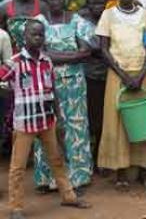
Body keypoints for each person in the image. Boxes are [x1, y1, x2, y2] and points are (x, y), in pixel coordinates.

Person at [1, 19, 90, 219]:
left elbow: (53, 91)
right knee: (18, 167)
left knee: (57, 160)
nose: (38, 38)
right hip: (24, 123)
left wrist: (58, 117)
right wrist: (9, 94)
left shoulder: (47, 61)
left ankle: (69, 196)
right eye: (34, 34)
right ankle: (16, 207)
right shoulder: (14, 62)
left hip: (46, 120)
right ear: (24, 37)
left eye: (41, 34)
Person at [96, 0, 146, 190]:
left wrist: (141, 75)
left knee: (143, 122)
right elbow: (103, 48)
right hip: (117, 76)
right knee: (117, 123)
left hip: (141, 76)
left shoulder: (145, 14)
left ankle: (144, 170)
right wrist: (124, 75)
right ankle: (120, 172)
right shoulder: (108, 14)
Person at [32, 0, 94, 191]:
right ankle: (48, 178)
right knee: (48, 127)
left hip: (74, 85)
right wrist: (71, 56)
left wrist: (53, 55)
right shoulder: (38, 23)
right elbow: (38, 53)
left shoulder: (77, 21)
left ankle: (78, 177)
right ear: (46, 0)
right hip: (46, 84)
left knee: (75, 127)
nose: (57, 1)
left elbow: (86, 52)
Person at [79, 0, 108, 166]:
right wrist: (101, 50)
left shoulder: (110, 18)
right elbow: (86, 48)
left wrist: (98, 50)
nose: (97, 6)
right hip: (87, 76)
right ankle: (86, 159)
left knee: (103, 120)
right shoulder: (81, 20)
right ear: (87, 4)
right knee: (89, 119)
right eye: (93, 3)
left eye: (101, 2)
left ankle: (99, 157)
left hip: (108, 75)